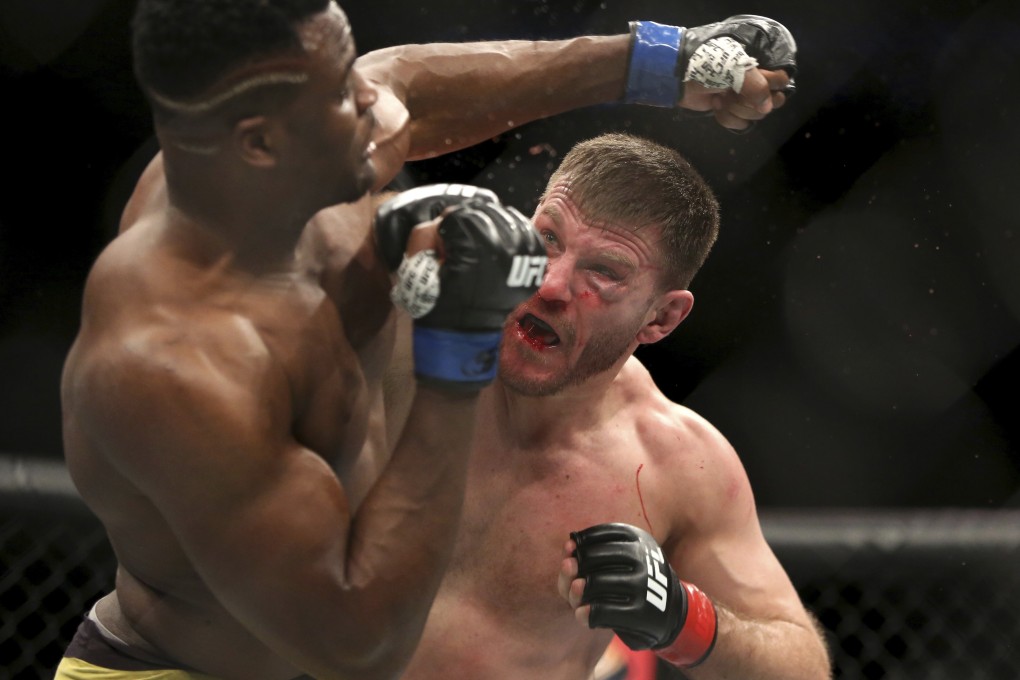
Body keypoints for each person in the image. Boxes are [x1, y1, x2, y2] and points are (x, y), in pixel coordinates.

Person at [56, 0, 798, 678]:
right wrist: (457, 346)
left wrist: (657, 62)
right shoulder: (177, 363)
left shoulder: (309, 175)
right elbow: (355, 641)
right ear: (261, 142)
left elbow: (406, 79)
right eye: (342, 100)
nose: (375, 106)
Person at [393, 133, 831, 679]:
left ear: (662, 318)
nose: (551, 284)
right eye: (548, 238)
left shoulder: (673, 464)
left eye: (603, 272)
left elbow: (804, 670)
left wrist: (682, 618)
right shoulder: (407, 332)